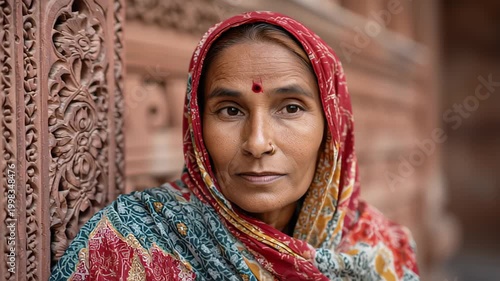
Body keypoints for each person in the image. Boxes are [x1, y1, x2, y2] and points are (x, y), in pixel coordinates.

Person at [50, 11, 419, 280]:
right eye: (230, 110)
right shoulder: (127, 245)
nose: (257, 143)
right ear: (197, 125)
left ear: (332, 127)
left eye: (290, 108)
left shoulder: (384, 250)